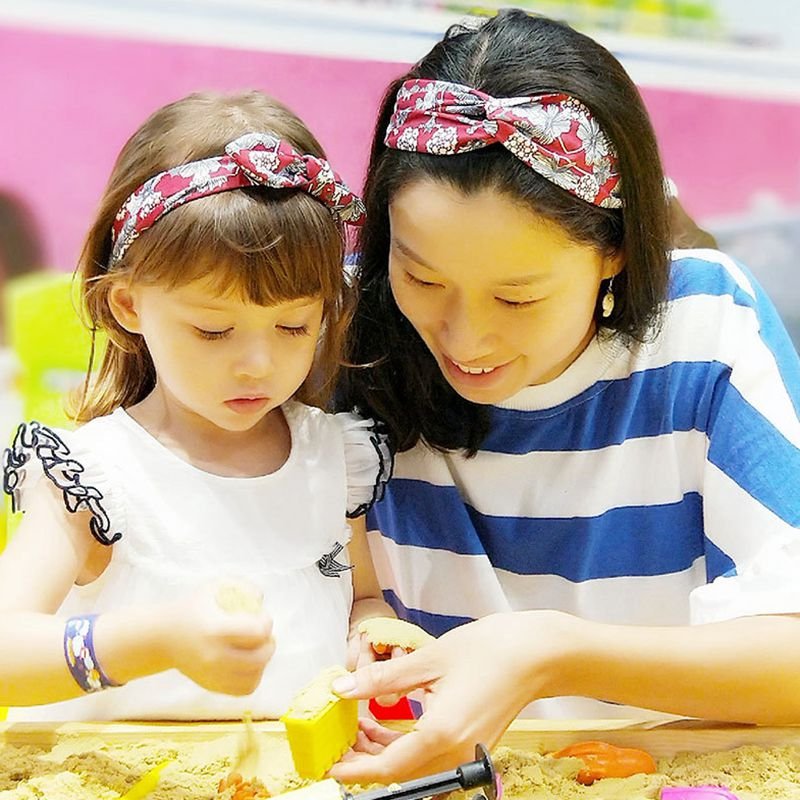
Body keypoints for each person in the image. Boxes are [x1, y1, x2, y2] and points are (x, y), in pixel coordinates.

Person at [328, 9, 800, 781]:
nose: (465, 337)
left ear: (614, 249)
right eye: (421, 278)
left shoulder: (703, 324)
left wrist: (553, 654)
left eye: (517, 300)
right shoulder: (334, 332)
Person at [0, 90, 396, 721]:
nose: (258, 365)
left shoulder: (333, 457)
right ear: (128, 305)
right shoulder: (92, 476)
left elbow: (362, 599)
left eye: (294, 327)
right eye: (214, 331)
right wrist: (158, 640)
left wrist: (375, 637)